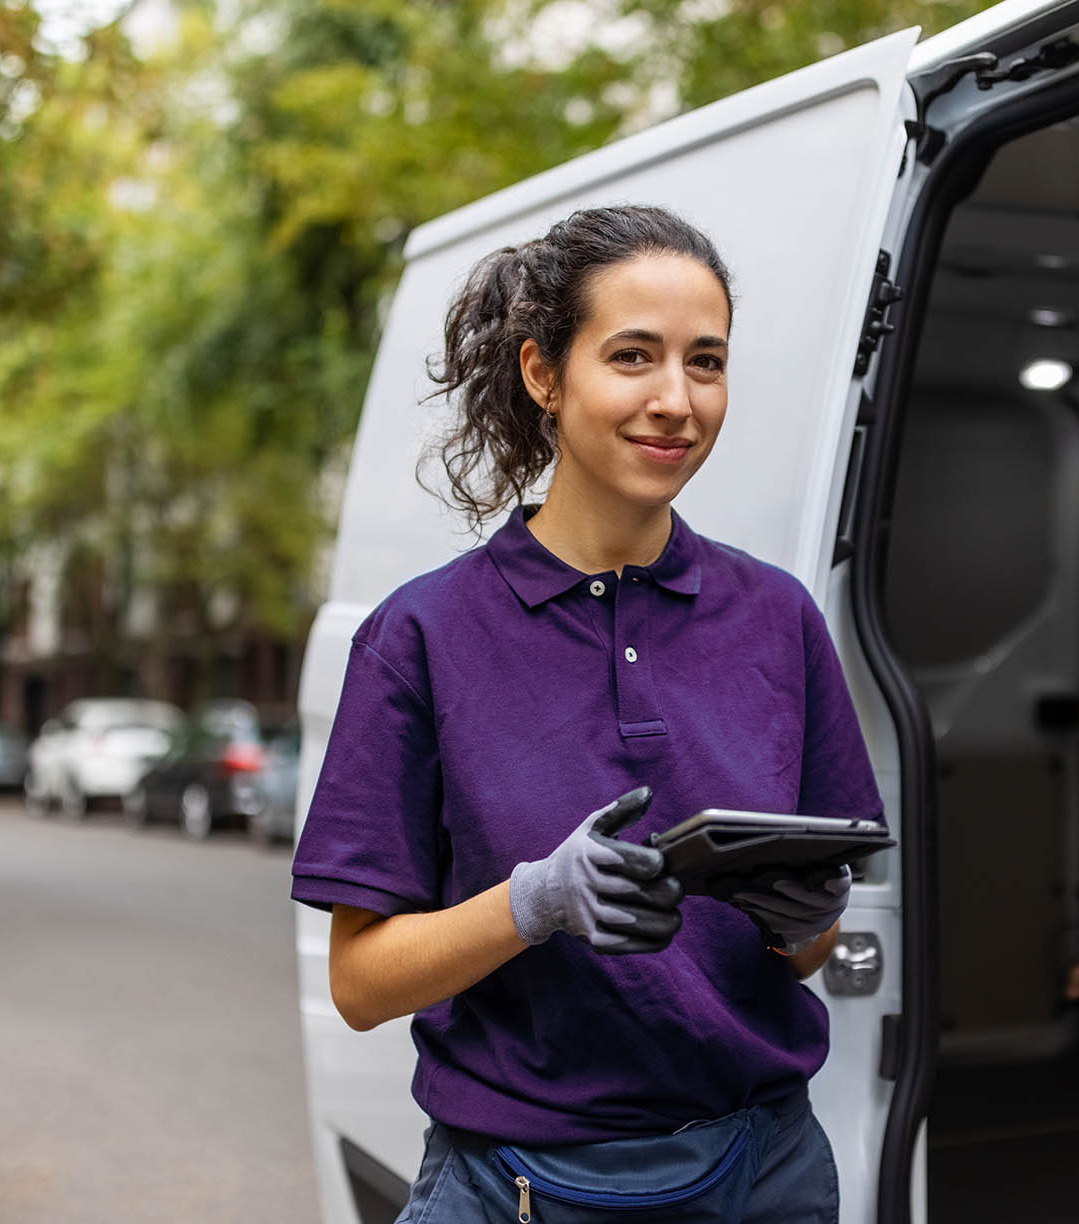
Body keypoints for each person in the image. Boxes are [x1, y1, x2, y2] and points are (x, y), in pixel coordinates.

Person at [290, 204, 886, 1223]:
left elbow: (810, 946)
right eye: (632, 357)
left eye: (705, 362)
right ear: (543, 375)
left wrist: (807, 924)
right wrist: (530, 905)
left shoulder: (776, 617)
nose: (675, 400)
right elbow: (360, 983)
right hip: (525, 1187)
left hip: (769, 1174)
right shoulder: (423, 634)